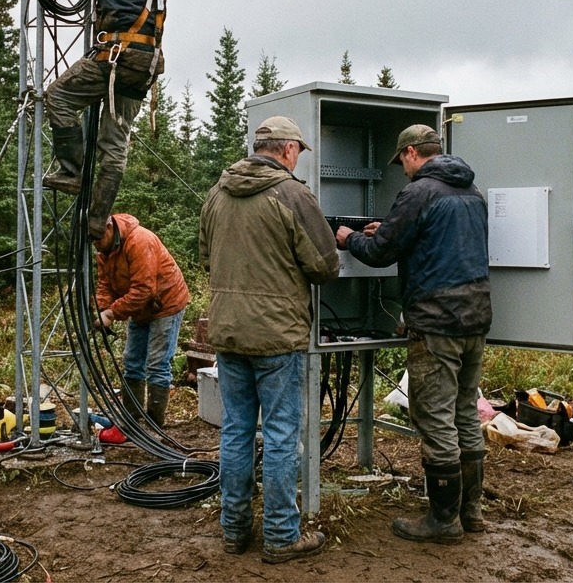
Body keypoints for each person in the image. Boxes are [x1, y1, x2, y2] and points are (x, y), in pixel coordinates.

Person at [336, 124, 492, 545]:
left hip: (436, 321)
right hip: (475, 318)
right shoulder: (472, 192)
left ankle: (443, 521)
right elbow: (438, 244)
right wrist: (385, 230)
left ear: (410, 153)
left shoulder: (418, 192)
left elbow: (380, 253)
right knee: (464, 412)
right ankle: (471, 512)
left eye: (401, 162)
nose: (401, 170)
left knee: (435, 416)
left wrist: (350, 238)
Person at [199, 116, 341, 564]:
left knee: (237, 431)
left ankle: (234, 530)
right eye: (299, 149)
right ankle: (281, 536)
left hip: (228, 331)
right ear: (285, 150)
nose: (298, 157)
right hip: (278, 337)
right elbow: (324, 265)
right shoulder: (293, 195)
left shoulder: (217, 194)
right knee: (281, 435)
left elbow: (205, 256)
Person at [43, 0, 168, 240]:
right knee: (115, 144)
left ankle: (70, 172)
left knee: (59, 97)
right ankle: (96, 222)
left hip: (115, 58)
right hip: (144, 65)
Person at [94, 213, 191, 427]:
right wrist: (103, 308)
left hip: (165, 303)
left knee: (157, 362)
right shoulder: (104, 250)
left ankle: (155, 423)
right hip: (139, 308)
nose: (97, 247)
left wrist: (112, 313)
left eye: (99, 240)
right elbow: (104, 284)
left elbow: (144, 289)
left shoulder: (140, 241)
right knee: (132, 360)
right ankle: (133, 418)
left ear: (109, 228)